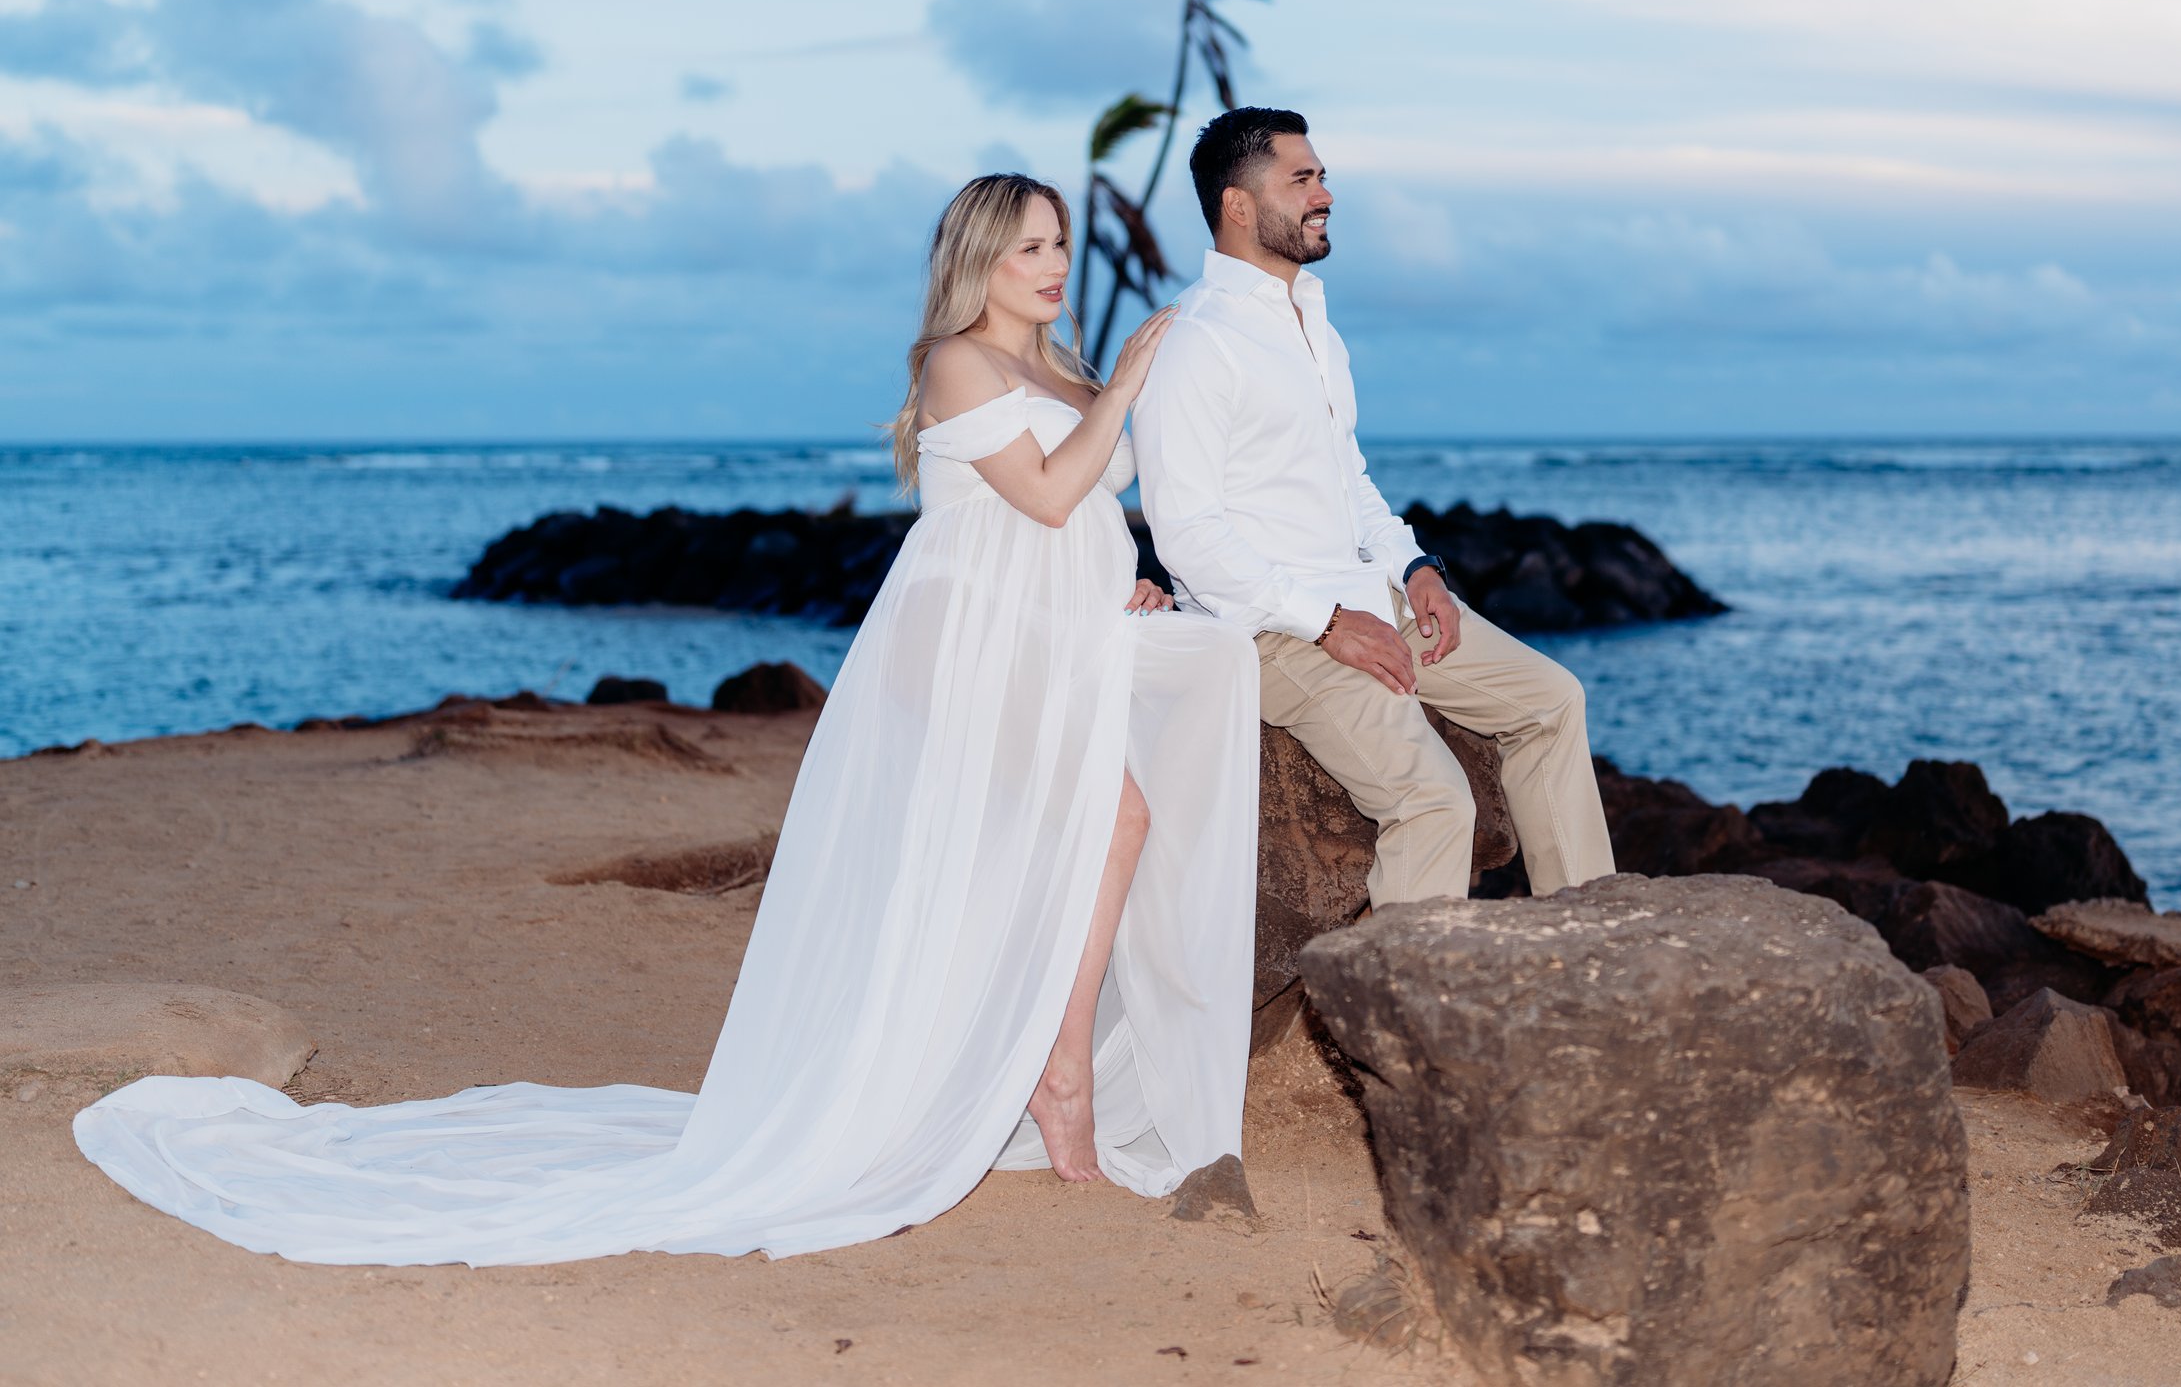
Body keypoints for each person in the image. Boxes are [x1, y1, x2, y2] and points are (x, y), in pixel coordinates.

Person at [72, 173, 1261, 1265]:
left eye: (1058, 243)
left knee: (1088, 832)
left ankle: (1034, 1068)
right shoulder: (956, 360)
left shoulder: (1068, 374)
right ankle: (1056, 1078)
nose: (1051, 265)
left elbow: (1089, 507)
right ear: (976, 262)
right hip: (975, 642)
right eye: (1026, 248)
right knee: (1108, 821)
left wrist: (1130, 570)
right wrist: (1136, 391)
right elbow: (1050, 493)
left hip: (1065, 633)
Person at [1134, 108, 1614, 906]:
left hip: (1372, 595)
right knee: (1433, 802)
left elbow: (1345, 477)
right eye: (1302, 178)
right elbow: (1186, 533)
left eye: (1321, 174)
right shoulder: (1196, 341)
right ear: (1239, 207)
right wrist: (1324, 621)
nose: (1325, 192)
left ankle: (1597, 939)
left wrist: (1416, 566)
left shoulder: (1313, 323)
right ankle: (1399, 1022)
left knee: (1551, 702)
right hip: (1277, 632)